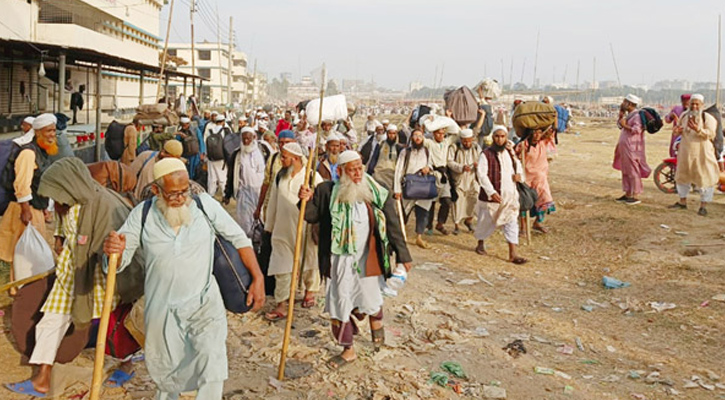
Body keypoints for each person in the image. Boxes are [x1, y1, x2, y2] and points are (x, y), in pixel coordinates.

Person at [103, 158, 265, 400]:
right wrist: (113, 250)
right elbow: (119, 259)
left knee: (212, 364)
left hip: (203, 304)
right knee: (168, 375)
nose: (180, 198)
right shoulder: (142, 215)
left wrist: (258, 277)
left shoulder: (204, 205)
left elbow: (239, 239)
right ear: (156, 190)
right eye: (173, 194)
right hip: (162, 310)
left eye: (184, 191)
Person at [4, 157, 143, 397]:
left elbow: (123, 246)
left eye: (57, 194)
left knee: (116, 323)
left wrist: (112, 256)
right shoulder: (65, 202)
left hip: (103, 274)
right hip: (71, 273)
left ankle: (127, 364)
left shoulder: (105, 206)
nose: (54, 201)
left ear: (69, 186)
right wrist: (60, 242)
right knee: (51, 320)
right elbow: (63, 228)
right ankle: (42, 378)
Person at [299, 150, 412, 368]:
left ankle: (377, 334)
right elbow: (311, 215)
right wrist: (304, 198)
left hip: (368, 258)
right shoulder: (327, 190)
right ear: (340, 171)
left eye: (360, 167)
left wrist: (403, 254)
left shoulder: (375, 190)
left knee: (371, 297)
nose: (358, 173)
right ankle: (348, 350)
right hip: (339, 262)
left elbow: (392, 223)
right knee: (340, 302)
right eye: (352, 170)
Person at [264, 143, 322, 320]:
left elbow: (323, 199)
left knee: (309, 260)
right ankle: (281, 304)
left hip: (304, 227)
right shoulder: (280, 176)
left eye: (284, 157)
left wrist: (311, 195)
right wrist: (269, 225)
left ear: (296, 159)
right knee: (281, 266)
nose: (281, 160)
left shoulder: (312, 177)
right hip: (282, 229)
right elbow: (273, 201)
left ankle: (310, 291)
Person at [0, 114, 61, 279]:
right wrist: (26, 210)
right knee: (22, 253)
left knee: (26, 254)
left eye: (53, 131)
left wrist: (45, 208)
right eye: (48, 131)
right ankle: (17, 290)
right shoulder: (28, 153)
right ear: (38, 132)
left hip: (36, 208)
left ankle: (19, 289)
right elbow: (22, 184)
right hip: (23, 210)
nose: (52, 134)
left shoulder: (42, 152)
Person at [474, 126, 527, 264]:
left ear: (506, 137)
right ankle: (480, 243)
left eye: (502, 136)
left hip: (510, 195)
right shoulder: (486, 154)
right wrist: (491, 192)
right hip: (492, 196)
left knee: (511, 222)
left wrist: (519, 176)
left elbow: (519, 167)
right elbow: (481, 174)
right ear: (493, 138)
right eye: (497, 136)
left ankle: (513, 253)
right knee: (485, 221)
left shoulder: (511, 153)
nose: (500, 139)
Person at [669, 94, 720, 216]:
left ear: (702, 105)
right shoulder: (684, 115)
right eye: (692, 104)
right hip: (686, 151)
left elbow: (711, 134)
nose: (695, 106)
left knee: (705, 177)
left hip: (702, 152)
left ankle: (703, 206)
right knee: (682, 176)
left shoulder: (707, 118)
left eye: (697, 104)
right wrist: (676, 131)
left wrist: (698, 129)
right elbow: (678, 129)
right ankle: (682, 202)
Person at [394, 129, 434, 249]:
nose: (417, 138)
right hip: (408, 186)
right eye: (415, 135)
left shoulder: (426, 151)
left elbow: (431, 164)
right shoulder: (405, 152)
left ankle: (419, 237)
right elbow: (398, 170)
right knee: (404, 213)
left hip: (423, 186)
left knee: (422, 213)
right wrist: (397, 189)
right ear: (411, 138)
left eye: (420, 136)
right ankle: (400, 236)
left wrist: (428, 168)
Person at [224, 127, 266, 235]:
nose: (246, 141)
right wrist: (227, 194)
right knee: (245, 221)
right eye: (244, 139)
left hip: (260, 192)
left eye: (248, 138)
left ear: (254, 137)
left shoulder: (263, 151)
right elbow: (231, 175)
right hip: (244, 192)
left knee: (261, 219)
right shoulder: (237, 154)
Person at [422, 117, 459, 235]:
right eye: (438, 133)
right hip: (433, 174)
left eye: (443, 133)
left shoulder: (446, 142)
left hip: (444, 175)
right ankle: (429, 226)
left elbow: (457, 133)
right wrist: (428, 122)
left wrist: (447, 118)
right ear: (434, 133)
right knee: (431, 202)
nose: (441, 136)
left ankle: (440, 224)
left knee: (447, 201)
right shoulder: (429, 143)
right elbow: (420, 137)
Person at [516, 125, 556, 233]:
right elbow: (516, 157)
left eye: (539, 133)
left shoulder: (543, 143)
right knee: (524, 202)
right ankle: (523, 227)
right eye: (534, 133)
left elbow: (551, 130)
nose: (536, 135)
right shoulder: (523, 145)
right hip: (526, 178)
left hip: (541, 179)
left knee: (545, 199)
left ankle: (538, 222)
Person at [612, 94, 650, 205]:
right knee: (626, 170)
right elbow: (621, 125)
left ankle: (635, 194)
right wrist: (621, 117)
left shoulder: (637, 116)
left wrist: (625, 126)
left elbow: (637, 130)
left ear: (630, 104)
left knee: (633, 171)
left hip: (632, 148)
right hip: (625, 147)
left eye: (625, 102)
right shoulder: (629, 115)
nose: (622, 104)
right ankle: (628, 193)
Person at [447, 128, 481, 234]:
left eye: (469, 140)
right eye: (465, 141)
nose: (467, 143)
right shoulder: (454, 147)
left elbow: (482, 159)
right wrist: (461, 167)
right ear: (461, 140)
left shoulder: (476, 147)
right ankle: (456, 225)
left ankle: (469, 221)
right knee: (458, 201)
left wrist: (477, 165)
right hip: (459, 178)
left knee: (474, 198)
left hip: (472, 178)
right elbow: (449, 162)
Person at [367, 124, 405, 191]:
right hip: (379, 173)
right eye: (390, 133)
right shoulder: (380, 144)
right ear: (387, 134)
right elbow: (374, 158)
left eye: (394, 133)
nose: (391, 135)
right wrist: (370, 171)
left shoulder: (399, 147)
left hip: (392, 175)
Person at [204, 115, 230, 197]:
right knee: (222, 177)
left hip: (211, 158)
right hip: (221, 158)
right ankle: (224, 194)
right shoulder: (225, 131)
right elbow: (228, 145)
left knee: (212, 178)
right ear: (223, 122)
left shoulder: (210, 130)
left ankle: (210, 195)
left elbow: (205, 143)